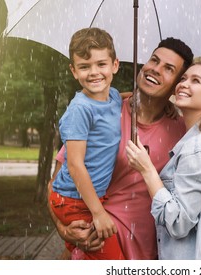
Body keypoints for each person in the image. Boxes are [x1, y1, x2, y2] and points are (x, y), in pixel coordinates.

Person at [48, 37, 194, 260]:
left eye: (168, 69)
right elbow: (56, 182)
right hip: (100, 239)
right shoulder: (101, 113)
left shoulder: (182, 131)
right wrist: (63, 229)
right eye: (154, 60)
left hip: (152, 252)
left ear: (177, 84)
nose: (155, 69)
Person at [126, 59, 201, 259]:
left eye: (196, 80)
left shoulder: (198, 148)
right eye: (183, 78)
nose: (184, 84)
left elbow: (179, 223)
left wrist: (147, 170)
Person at [49, 27, 124, 260]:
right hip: (74, 199)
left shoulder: (113, 96)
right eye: (84, 66)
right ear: (74, 71)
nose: (94, 73)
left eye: (101, 64)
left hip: (86, 198)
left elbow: (123, 97)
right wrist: (98, 212)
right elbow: (75, 165)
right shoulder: (80, 110)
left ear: (115, 65)